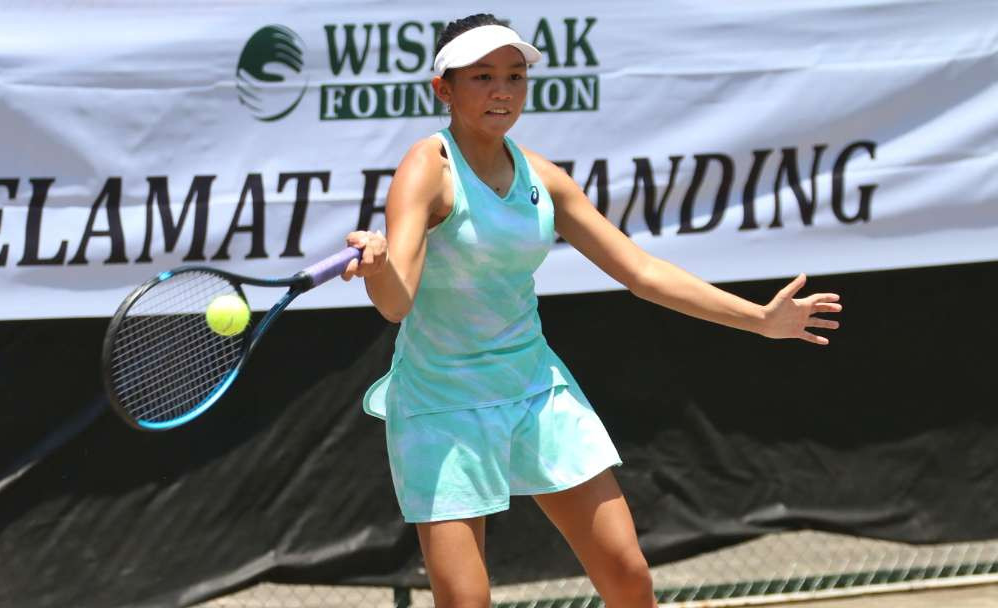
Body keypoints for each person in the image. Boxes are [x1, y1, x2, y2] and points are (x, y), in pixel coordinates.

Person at [340, 13, 842, 608]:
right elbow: (396, 304)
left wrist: (758, 319)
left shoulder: (543, 177)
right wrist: (378, 270)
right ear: (443, 89)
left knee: (628, 573)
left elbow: (642, 272)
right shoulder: (428, 168)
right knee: (466, 603)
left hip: (534, 386)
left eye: (514, 75)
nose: (502, 90)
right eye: (481, 77)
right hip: (441, 402)